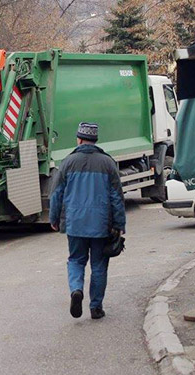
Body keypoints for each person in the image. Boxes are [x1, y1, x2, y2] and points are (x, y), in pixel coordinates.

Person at [49, 122, 126, 320]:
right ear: (95, 139)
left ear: (79, 139)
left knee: (76, 260)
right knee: (99, 265)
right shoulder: (108, 163)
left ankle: (76, 289)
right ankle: (96, 307)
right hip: (101, 225)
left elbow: (56, 194)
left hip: (75, 223)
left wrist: (54, 218)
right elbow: (117, 197)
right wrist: (119, 224)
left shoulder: (67, 162)